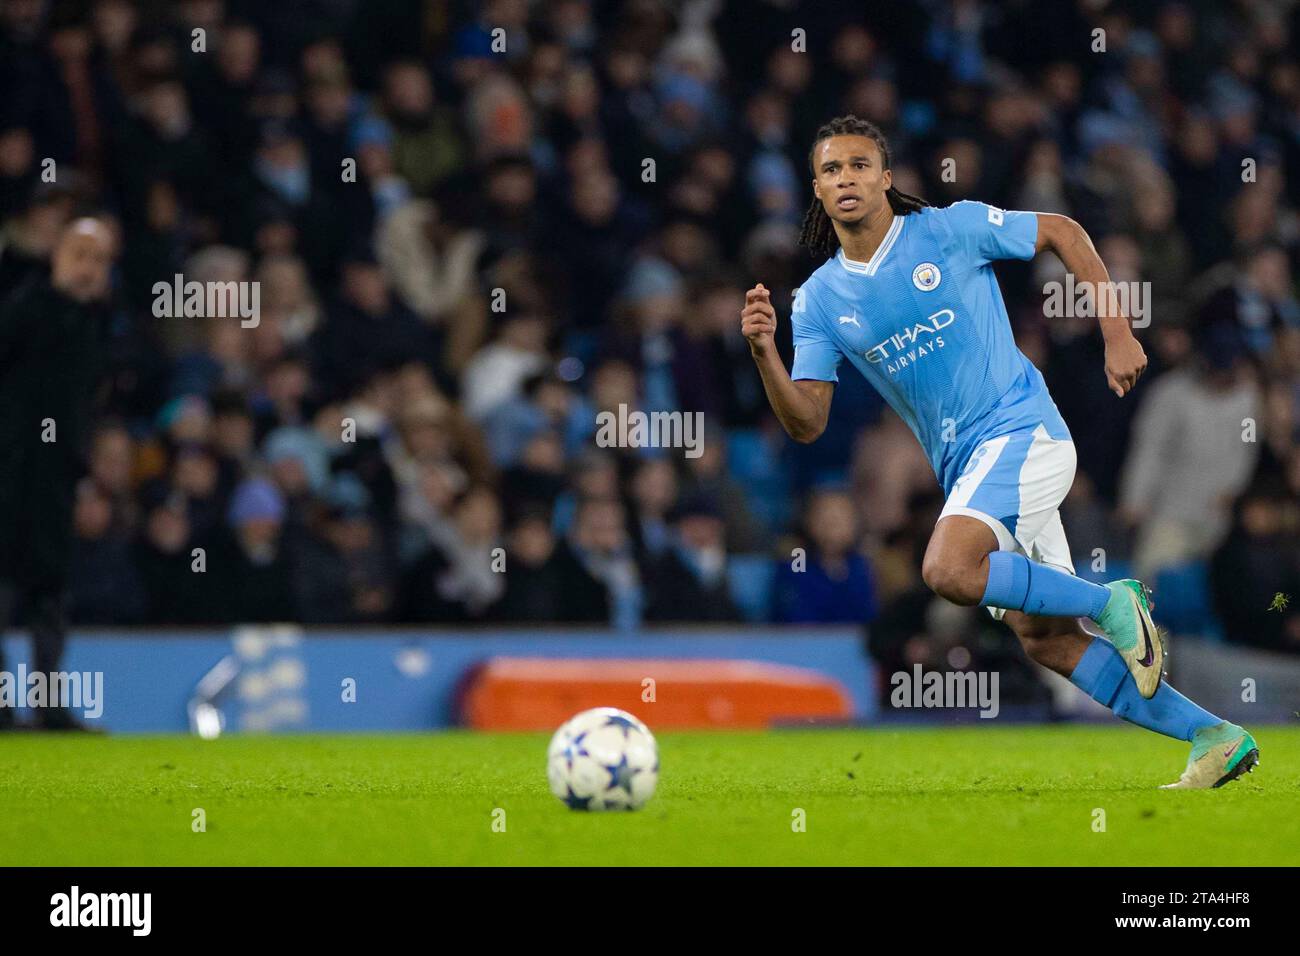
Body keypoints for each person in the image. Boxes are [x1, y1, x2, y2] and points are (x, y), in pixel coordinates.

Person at [740, 116, 1256, 789]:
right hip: (970, 473)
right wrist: (763, 354)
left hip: (1024, 434)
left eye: (860, 165)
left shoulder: (948, 230)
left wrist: (1116, 332)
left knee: (948, 569)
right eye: (832, 169)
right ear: (816, 188)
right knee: (1043, 638)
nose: (847, 178)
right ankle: (1214, 735)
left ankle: (1113, 603)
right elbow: (806, 423)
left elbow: (1063, 232)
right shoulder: (817, 302)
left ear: (886, 179)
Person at [0, 217, 115, 730]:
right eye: (80, 254)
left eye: (98, 259)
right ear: (57, 256)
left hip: (55, 477)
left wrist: (84, 477)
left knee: (48, 588)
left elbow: (84, 413)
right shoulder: (24, 308)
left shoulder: (96, 326)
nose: (88, 268)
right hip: (9, 469)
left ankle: (48, 704)